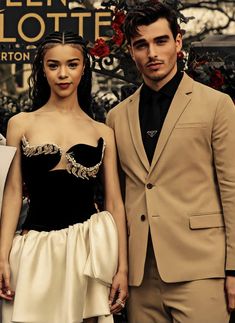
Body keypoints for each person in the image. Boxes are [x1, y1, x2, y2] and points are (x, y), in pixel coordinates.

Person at [106, 2, 235, 322]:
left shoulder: (217, 105)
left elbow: (232, 190)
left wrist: (234, 268)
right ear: (132, 51)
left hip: (201, 269)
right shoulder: (116, 117)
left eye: (160, 41)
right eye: (141, 45)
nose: (152, 52)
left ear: (178, 43)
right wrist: (118, 266)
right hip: (139, 276)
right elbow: (117, 199)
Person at [0, 31, 128, 323]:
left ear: (84, 68)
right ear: (42, 69)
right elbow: (11, 194)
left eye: (72, 64)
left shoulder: (102, 131)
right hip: (35, 251)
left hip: (87, 251)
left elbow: (114, 203)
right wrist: (2, 256)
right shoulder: (20, 124)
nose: (63, 74)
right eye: (53, 65)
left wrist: (122, 268)